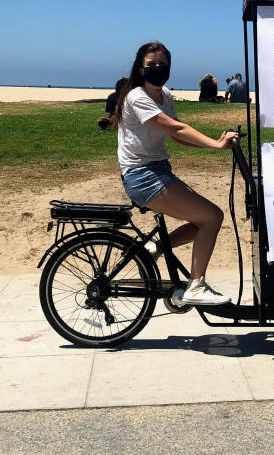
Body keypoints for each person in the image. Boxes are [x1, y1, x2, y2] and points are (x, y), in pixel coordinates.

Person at [98, 42, 239, 305]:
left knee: (205, 221)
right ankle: (196, 286)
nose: (157, 69)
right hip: (142, 176)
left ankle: (156, 248)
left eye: (162, 65)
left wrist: (214, 146)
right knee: (212, 217)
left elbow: (176, 138)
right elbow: (176, 128)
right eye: (151, 66)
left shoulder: (165, 95)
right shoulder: (136, 97)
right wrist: (216, 144)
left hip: (159, 170)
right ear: (141, 69)